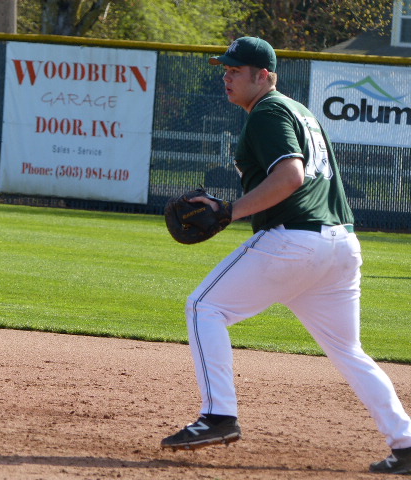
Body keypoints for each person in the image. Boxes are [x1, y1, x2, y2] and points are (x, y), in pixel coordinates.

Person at [159, 37, 411, 474]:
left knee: (204, 306)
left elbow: (291, 176)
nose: (226, 77)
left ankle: (219, 415)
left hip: (296, 240)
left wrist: (230, 211)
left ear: (264, 76)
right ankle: (406, 442)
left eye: (236, 70)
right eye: (225, 69)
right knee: (348, 351)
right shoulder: (300, 111)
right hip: (340, 245)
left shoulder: (268, 112)